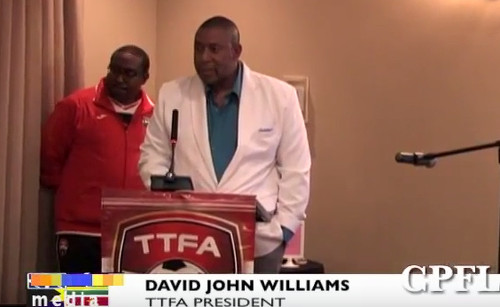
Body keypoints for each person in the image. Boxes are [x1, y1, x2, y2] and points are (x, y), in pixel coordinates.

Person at [138, 16, 311, 273]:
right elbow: (152, 156)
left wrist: (283, 230)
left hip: (258, 242)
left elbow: (296, 169)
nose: (204, 57)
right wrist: (171, 193)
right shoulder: (172, 94)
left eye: (214, 49)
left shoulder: (279, 96)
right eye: (198, 48)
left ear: (236, 51)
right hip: (191, 236)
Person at [40, 45, 154, 273]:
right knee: (79, 297)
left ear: (144, 78)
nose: (120, 79)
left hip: (133, 230)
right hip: (80, 230)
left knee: (126, 298)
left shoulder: (157, 115)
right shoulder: (76, 106)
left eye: (129, 73)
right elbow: (49, 160)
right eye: (115, 70)